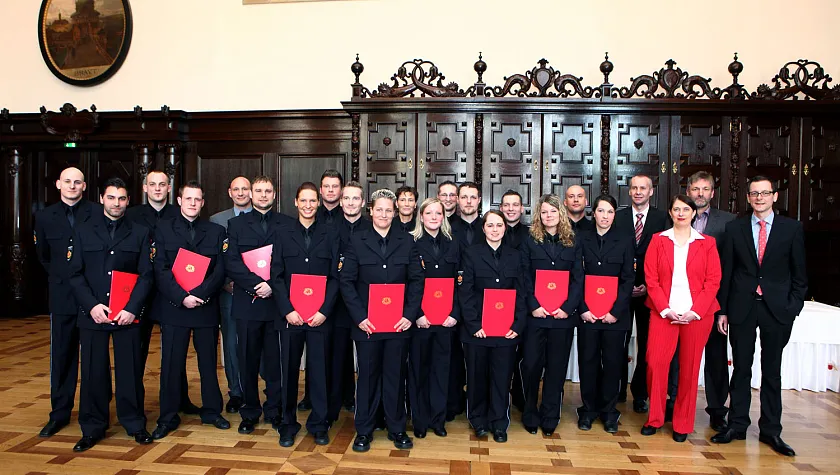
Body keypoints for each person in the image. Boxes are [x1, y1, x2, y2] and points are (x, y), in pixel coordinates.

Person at [711, 176, 807, 457]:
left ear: (775, 196)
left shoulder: (792, 229)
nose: (759, 198)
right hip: (742, 306)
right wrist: (723, 310)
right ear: (749, 198)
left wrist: (792, 308)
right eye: (754, 193)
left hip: (777, 309)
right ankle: (737, 425)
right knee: (741, 368)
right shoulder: (735, 228)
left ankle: (771, 430)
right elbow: (727, 273)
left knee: (772, 371)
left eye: (765, 193)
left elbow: (800, 275)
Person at [67, 177, 154, 451]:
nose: (116, 203)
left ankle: (135, 423)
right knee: (93, 371)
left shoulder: (140, 232)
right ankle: (92, 427)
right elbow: (75, 273)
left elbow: (146, 275)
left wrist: (132, 308)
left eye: (122, 198)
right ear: (102, 199)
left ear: (128, 201)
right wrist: (91, 306)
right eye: (111, 197)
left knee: (130, 371)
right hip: (93, 313)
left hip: (127, 315)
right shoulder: (83, 231)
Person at [340, 189, 423, 452]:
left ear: (395, 212)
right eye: (379, 209)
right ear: (371, 211)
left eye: (389, 210)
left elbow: (417, 282)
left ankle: (396, 428)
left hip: (398, 325)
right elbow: (346, 281)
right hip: (368, 326)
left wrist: (409, 316)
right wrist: (360, 317)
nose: (384, 214)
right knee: (366, 378)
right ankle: (363, 431)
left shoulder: (407, 241)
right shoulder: (356, 241)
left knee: (395, 377)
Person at [150, 181, 230, 439]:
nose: (193, 203)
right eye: (188, 199)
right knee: (171, 364)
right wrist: (182, 297)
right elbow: (160, 269)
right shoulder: (163, 229)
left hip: (205, 308)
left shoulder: (216, 231)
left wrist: (201, 294)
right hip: (175, 307)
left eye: (198, 199)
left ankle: (212, 411)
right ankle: (168, 417)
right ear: (180, 201)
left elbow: (220, 270)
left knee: (208, 363)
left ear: (203, 203)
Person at [641, 195, 721, 442]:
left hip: (697, 316)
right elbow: (651, 279)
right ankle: (654, 418)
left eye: (686, 209)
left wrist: (695, 311)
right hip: (663, 313)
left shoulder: (707, 243)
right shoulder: (658, 240)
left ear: (694, 213)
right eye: (676, 209)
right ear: (670, 212)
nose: (681, 213)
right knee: (656, 363)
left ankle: (682, 424)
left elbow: (713, 281)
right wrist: (665, 309)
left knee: (689, 368)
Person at [270, 182, 339, 447]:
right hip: (291, 318)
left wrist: (324, 311)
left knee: (319, 371)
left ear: (318, 203)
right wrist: (287, 310)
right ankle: (288, 423)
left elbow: (335, 277)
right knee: (289, 371)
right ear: (295, 203)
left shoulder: (331, 234)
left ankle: (319, 424)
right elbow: (276, 276)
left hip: (320, 318)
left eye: (313, 201)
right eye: (304, 201)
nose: (309, 205)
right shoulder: (282, 233)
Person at [125, 170, 199, 415]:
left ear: (170, 189)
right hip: (137, 293)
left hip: (172, 293)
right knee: (136, 352)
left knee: (175, 352)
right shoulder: (132, 214)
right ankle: (136, 406)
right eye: (153, 184)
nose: (158, 188)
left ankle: (180, 400)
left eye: (163, 184)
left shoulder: (181, 214)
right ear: (145, 188)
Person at [33, 167, 100, 438]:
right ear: (59, 184)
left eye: (77, 182)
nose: (72, 186)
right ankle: (59, 413)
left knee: (94, 359)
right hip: (62, 297)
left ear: (84, 186)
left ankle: (95, 413)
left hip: (92, 298)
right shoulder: (45, 216)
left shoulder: (96, 212)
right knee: (61, 357)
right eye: (67, 181)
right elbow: (44, 256)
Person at [224, 176, 288, 434]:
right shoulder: (235, 225)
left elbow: (288, 261)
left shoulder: (286, 224)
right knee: (247, 360)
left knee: (275, 361)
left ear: (275, 194)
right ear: (250, 194)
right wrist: (255, 285)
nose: (263, 195)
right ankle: (250, 411)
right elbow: (232, 262)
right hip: (247, 303)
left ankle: (274, 409)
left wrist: (272, 285)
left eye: (268, 191)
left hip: (276, 303)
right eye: (258, 191)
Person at [458, 210, 527, 443]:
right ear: (484, 228)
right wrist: (474, 324)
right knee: (477, 378)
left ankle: (499, 422)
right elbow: (465, 292)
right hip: (478, 331)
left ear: (505, 229)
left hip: (506, 331)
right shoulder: (471, 254)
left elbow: (522, 293)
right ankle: (478, 420)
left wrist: (517, 324)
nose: (495, 229)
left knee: (501, 378)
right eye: (490, 225)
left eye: (499, 225)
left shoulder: (516, 256)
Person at [519, 194, 583, 436]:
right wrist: (533, 305)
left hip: (562, 318)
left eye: (553, 212)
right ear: (539, 215)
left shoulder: (573, 242)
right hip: (535, 316)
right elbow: (524, 276)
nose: (548, 216)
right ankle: (530, 413)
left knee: (556, 368)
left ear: (561, 214)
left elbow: (578, 279)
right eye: (544, 212)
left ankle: (550, 415)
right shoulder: (529, 241)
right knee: (532, 366)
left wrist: (567, 308)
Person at [576, 195, 635, 433]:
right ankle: (588, 410)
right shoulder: (581, 238)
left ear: (614, 215)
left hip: (615, 317)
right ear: (594, 213)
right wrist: (583, 309)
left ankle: (610, 411)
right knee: (588, 361)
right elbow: (576, 277)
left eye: (610, 212)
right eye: (601, 211)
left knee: (612, 363)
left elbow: (628, 279)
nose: (605, 216)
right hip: (588, 314)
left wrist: (615, 311)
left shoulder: (625, 239)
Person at [615, 175, 670, 413]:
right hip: (621, 291)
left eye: (643, 188)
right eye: (634, 188)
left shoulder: (662, 219)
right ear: (629, 192)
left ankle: (640, 393)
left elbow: (666, 257)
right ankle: (616, 390)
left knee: (647, 345)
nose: (638, 192)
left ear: (651, 192)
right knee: (619, 343)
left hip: (651, 291)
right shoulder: (618, 217)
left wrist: (649, 284)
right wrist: (625, 285)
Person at [685, 171, 735, 431]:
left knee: (716, 358)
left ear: (712, 193)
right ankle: (677, 406)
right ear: (689, 191)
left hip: (714, 304)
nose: (700, 194)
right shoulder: (677, 217)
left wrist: (723, 308)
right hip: (681, 303)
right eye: (695, 189)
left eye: (705, 189)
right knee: (681, 358)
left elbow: (730, 268)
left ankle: (717, 410)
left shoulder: (728, 222)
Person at [408, 198, 459, 439]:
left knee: (442, 372)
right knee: (419, 371)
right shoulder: (411, 243)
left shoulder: (453, 244)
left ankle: (438, 420)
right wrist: (416, 314)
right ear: (421, 216)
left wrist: (454, 314)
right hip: (421, 322)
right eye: (429, 213)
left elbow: (462, 283)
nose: (434, 217)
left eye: (438, 213)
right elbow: (409, 283)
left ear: (444, 217)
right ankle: (420, 421)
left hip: (446, 321)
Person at [327, 182, 370, 424]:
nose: (351, 203)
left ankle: (362, 404)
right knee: (337, 358)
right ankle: (335, 406)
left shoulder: (371, 228)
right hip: (337, 305)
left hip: (366, 306)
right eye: (347, 198)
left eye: (356, 199)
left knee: (366, 360)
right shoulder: (329, 229)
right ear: (341, 201)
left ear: (363, 203)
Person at [209, 176, 252, 414]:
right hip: (228, 292)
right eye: (236, 189)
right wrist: (225, 282)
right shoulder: (217, 220)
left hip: (257, 293)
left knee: (260, 344)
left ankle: (258, 390)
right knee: (232, 343)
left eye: (245, 188)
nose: (241, 192)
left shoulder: (261, 218)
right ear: (229, 192)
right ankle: (235, 391)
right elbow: (213, 257)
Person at [446, 181, 482, 419]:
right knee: (452, 359)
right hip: (449, 303)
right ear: (457, 201)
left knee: (479, 361)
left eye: (473, 197)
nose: (468, 201)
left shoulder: (490, 226)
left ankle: (478, 404)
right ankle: (452, 403)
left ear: (479, 200)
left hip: (481, 306)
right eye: (464, 197)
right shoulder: (446, 227)